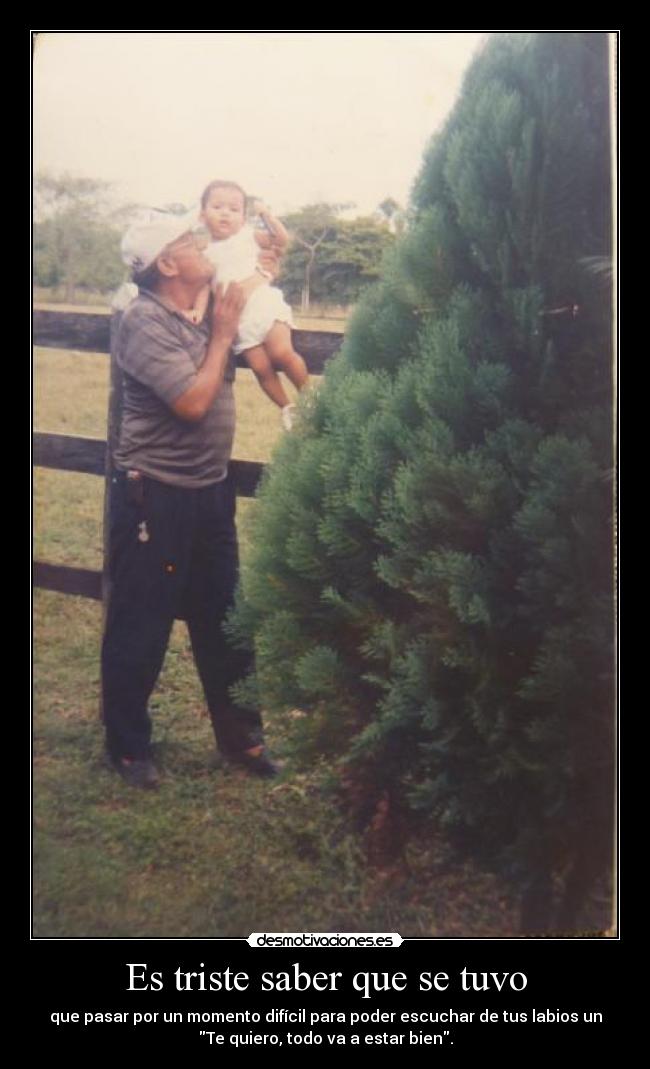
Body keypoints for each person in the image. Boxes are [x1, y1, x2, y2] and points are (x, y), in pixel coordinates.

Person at [101, 207, 278, 789]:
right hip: (157, 496)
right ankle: (128, 749)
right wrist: (223, 335)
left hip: (209, 492)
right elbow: (192, 404)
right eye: (188, 240)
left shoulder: (199, 308)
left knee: (226, 620)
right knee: (141, 624)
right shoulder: (143, 321)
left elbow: (247, 290)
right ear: (167, 263)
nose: (203, 243)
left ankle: (242, 738)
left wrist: (259, 273)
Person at [187, 180, 309, 431]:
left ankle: (311, 398)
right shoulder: (203, 252)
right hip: (237, 320)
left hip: (264, 306)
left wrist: (265, 214)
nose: (225, 213)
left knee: (281, 353)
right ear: (202, 214)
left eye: (233, 209)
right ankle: (287, 407)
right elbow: (203, 286)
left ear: (243, 217)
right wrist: (198, 310)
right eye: (217, 206)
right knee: (260, 368)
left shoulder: (249, 236)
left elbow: (282, 239)